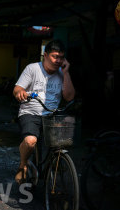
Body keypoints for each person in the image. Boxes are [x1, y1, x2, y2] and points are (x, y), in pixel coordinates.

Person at [13, 39, 75, 184]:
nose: (58, 60)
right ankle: (23, 165)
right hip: (30, 112)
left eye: (61, 57)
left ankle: (56, 166)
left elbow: (70, 97)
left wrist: (66, 73)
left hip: (52, 115)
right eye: (55, 56)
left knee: (62, 144)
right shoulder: (32, 68)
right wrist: (20, 93)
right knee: (30, 141)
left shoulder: (62, 73)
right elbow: (17, 89)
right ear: (45, 55)